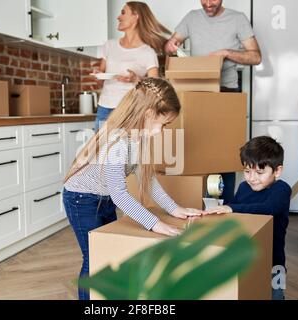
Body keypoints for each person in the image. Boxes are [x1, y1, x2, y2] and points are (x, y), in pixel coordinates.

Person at [63, 78, 205, 300]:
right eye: (165, 124)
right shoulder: (118, 141)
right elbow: (120, 193)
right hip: (81, 200)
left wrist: (174, 209)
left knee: (109, 254)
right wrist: (155, 224)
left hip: (104, 199)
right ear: (148, 115)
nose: (163, 130)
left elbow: (148, 180)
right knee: (94, 259)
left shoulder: (138, 138)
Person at [165, 0, 262, 204]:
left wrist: (227, 53)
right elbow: (169, 46)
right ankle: (196, 205)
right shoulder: (192, 17)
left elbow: (255, 56)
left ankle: (225, 206)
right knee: (197, 151)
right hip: (195, 92)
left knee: (224, 156)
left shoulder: (237, 19)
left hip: (226, 91)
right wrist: (171, 45)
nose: (208, 3)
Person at [204, 136, 291, 300]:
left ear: (277, 171)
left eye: (259, 172)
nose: (252, 178)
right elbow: (235, 207)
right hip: (247, 254)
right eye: (247, 171)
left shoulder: (282, 189)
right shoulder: (244, 187)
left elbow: (268, 209)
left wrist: (231, 207)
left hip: (274, 260)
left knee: (275, 294)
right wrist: (219, 206)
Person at [94, 1, 170, 131]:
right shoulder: (109, 45)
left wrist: (136, 79)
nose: (118, 17)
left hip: (130, 109)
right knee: (101, 149)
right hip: (104, 107)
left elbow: (156, 86)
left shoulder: (147, 52)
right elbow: (101, 73)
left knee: (127, 150)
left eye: (123, 13)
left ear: (136, 17)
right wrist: (97, 73)